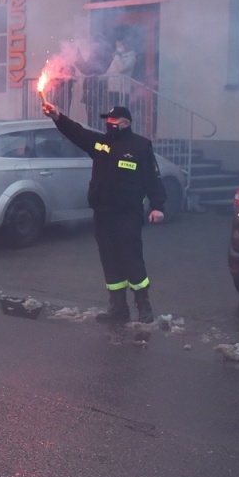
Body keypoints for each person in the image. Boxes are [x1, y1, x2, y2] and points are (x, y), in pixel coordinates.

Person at [42, 100, 165, 323]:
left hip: (127, 213)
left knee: (131, 258)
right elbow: (78, 133)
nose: (109, 123)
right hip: (102, 212)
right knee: (109, 258)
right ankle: (118, 308)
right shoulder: (101, 143)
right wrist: (58, 118)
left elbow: (152, 178)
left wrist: (157, 206)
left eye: (113, 120)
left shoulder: (139, 146)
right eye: (107, 120)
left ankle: (143, 305)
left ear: (126, 123)